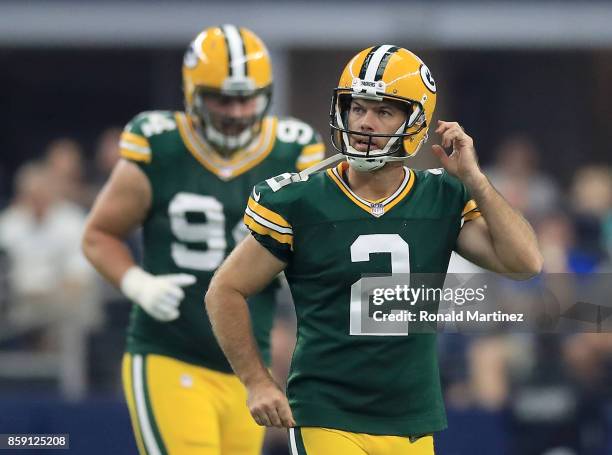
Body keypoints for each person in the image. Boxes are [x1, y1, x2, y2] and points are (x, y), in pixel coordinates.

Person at [205, 45, 542, 455]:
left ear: (414, 121)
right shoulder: (300, 199)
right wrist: (256, 380)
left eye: (384, 112)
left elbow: (525, 263)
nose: (365, 122)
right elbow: (225, 289)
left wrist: (475, 178)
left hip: (411, 420)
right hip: (327, 414)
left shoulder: (442, 196)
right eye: (358, 108)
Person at [82, 25, 324, 455]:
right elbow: (99, 234)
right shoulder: (161, 144)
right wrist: (137, 283)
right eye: (221, 98)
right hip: (169, 352)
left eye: (246, 97)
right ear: (192, 94)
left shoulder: (293, 150)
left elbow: (317, 248)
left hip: (250, 367)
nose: (235, 111)